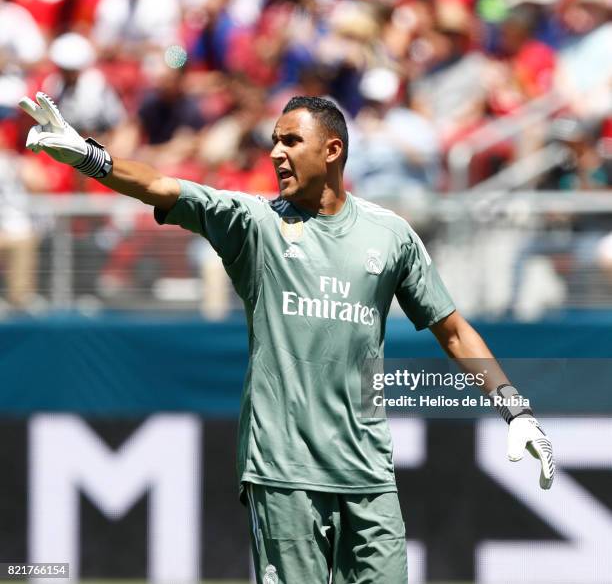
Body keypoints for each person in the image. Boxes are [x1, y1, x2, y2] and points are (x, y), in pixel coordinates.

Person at [19, 91, 555, 583]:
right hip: (283, 473)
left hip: (368, 471)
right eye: (273, 141)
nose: (276, 153)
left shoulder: (390, 235)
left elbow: (454, 331)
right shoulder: (253, 224)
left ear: (332, 150)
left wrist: (516, 410)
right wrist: (90, 158)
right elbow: (160, 186)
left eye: (291, 140)